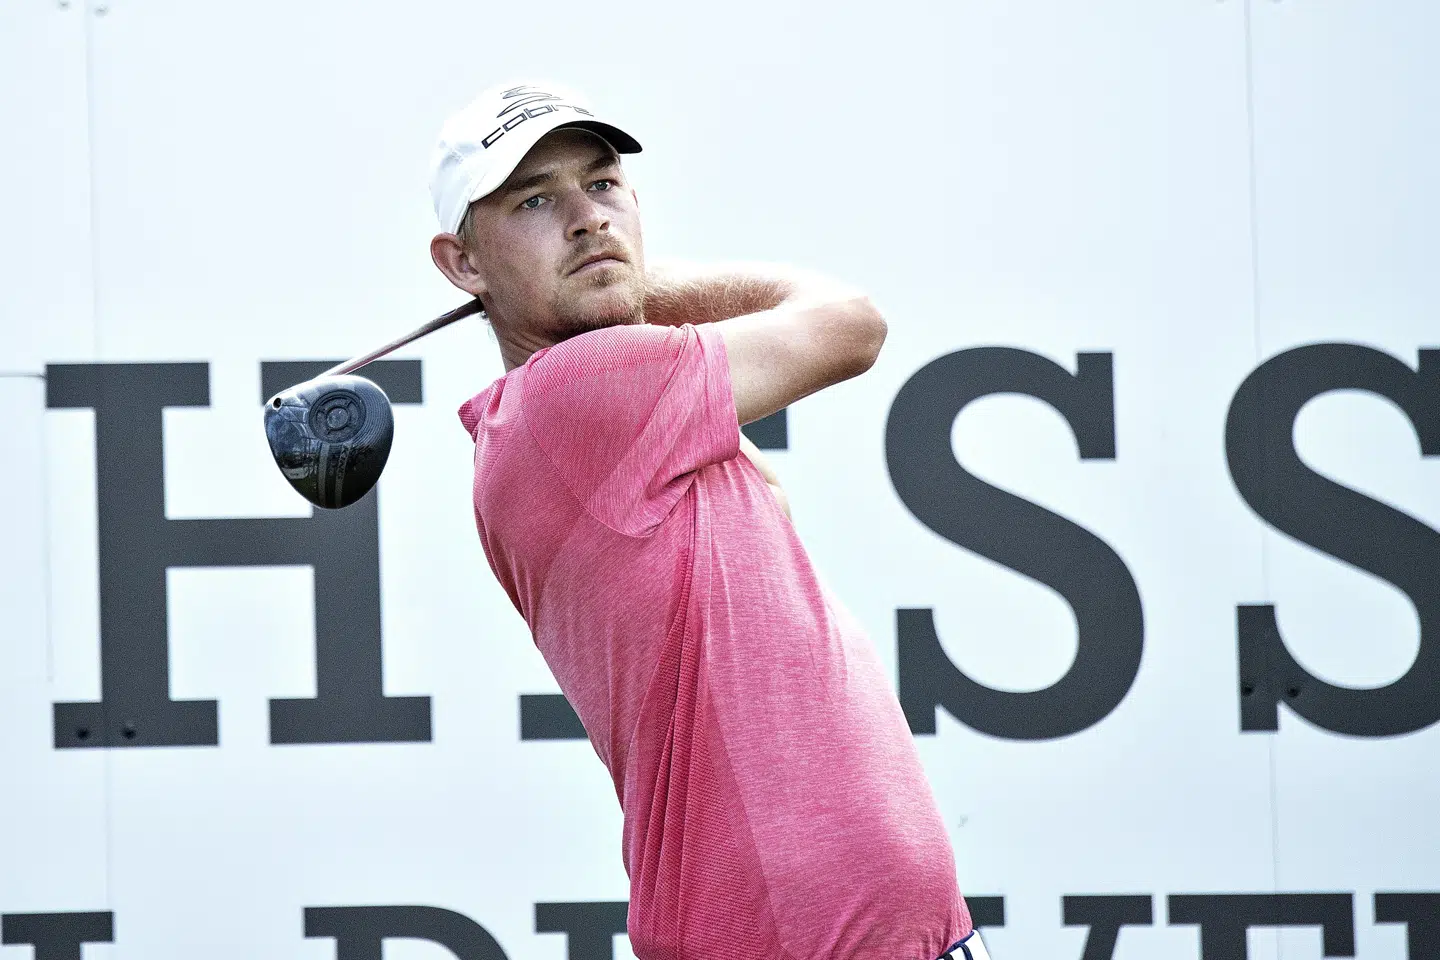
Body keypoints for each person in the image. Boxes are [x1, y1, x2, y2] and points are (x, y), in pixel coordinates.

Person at [428, 81, 990, 960]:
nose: (587, 219)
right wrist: (636, 283)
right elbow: (852, 324)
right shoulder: (578, 394)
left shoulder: (605, 421)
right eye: (535, 200)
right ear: (462, 266)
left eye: (604, 186)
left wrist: (617, 282)